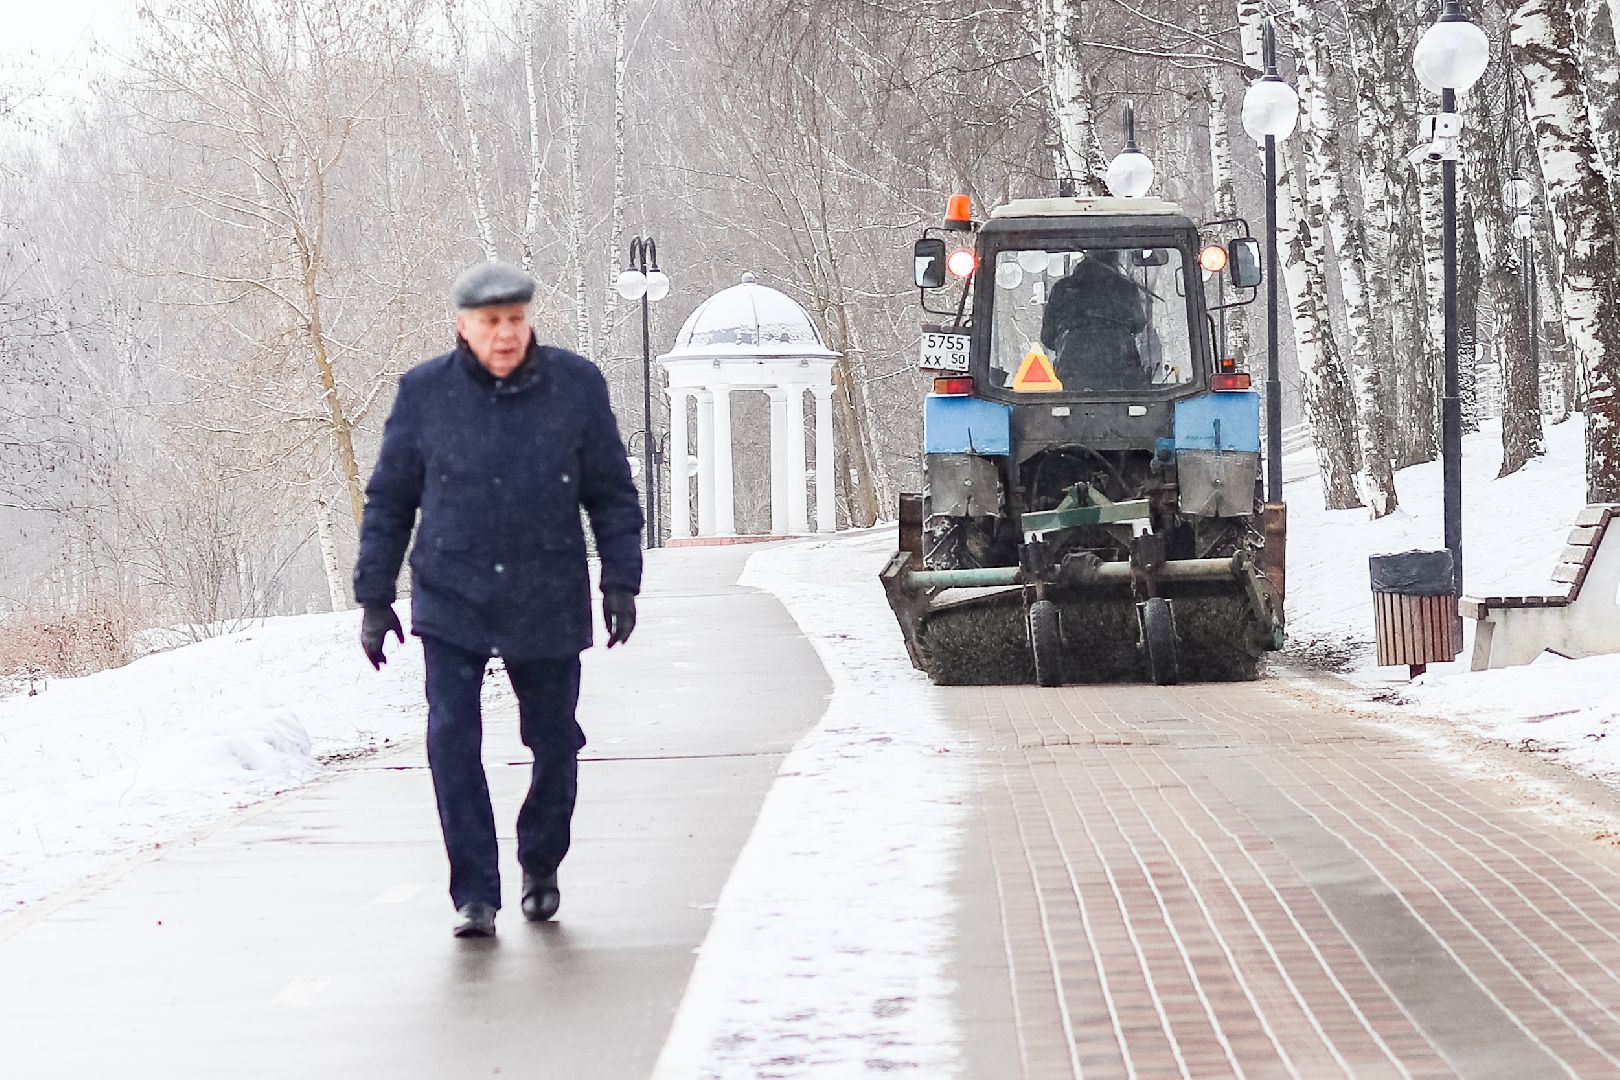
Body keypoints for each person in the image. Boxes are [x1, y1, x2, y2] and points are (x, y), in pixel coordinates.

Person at [353, 261, 643, 939]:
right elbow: (390, 500)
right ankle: (475, 893)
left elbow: (610, 494)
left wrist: (621, 581)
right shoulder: (424, 395)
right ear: (464, 327)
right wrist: (374, 597)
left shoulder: (576, 387)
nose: (505, 334)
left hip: (546, 589)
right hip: (453, 590)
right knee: (452, 738)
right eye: (490, 323)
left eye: (515, 319)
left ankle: (540, 862)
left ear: (529, 319)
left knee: (553, 740)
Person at [1039, 249, 1150, 391]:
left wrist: (1072, 340)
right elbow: (1138, 324)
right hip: (1121, 374)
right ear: (1114, 260)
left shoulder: (1062, 288)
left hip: (1072, 373)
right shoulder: (1125, 287)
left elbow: (1047, 337)